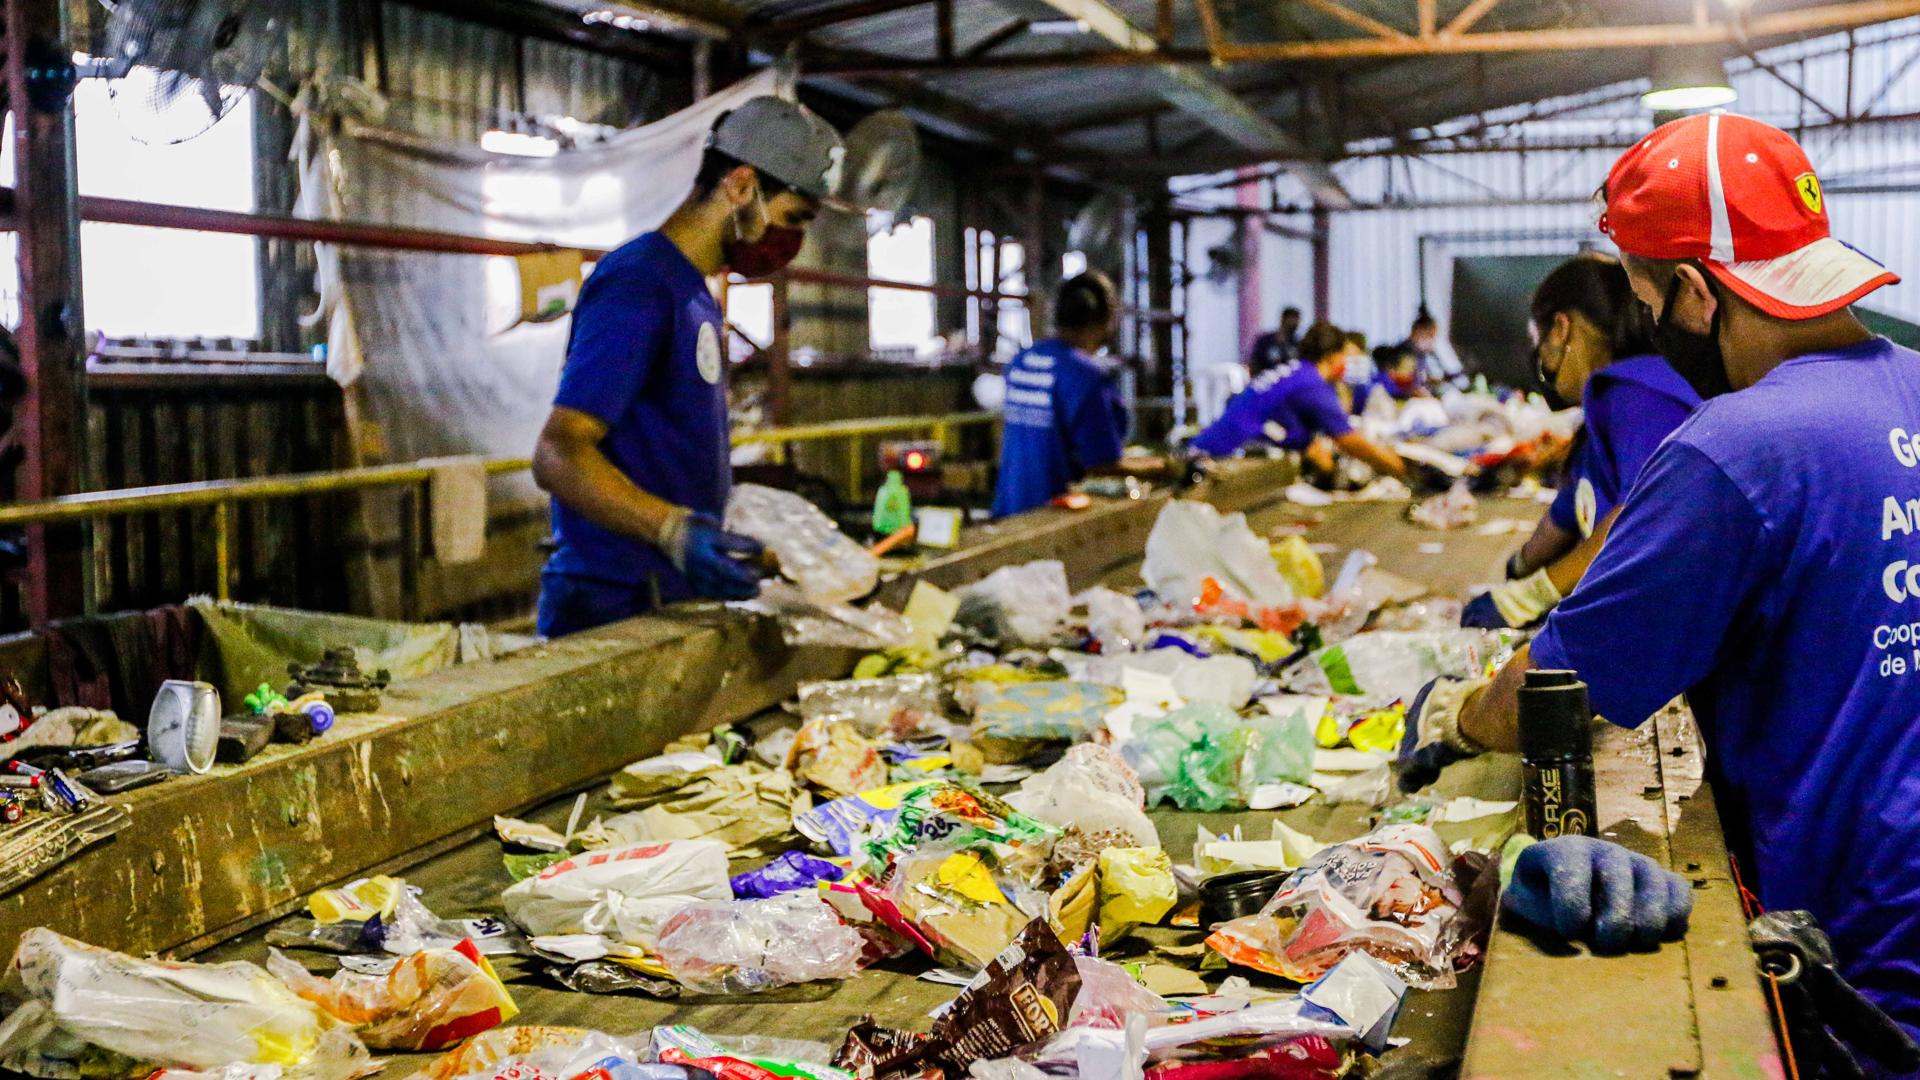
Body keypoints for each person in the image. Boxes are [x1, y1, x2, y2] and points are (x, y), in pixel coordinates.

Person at [1400, 114, 1920, 1073]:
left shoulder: (1737, 447)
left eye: (1646, 295)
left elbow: (1560, 694)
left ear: (1693, 291)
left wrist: (1456, 714)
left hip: (1866, 958)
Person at [532, 97, 845, 638]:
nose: (793, 241)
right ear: (741, 186)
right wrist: (673, 530)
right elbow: (558, 453)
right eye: (792, 218)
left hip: (665, 596)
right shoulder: (639, 283)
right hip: (612, 604)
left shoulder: (692, 293)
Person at [1461, 253, 1700, 629]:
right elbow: (1572, 507)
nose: (1542, 362)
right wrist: (1519, 566)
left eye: (1538, 341)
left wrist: (1535, 592)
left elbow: (1645, 511)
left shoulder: (1636, 393)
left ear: (1561, 328)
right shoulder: (1610, 407)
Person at [1189, 321, 1407, 478]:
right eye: (1346, 357)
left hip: (1210, 450)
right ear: (1333, 355)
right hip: (1224, 462)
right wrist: (1400, 469)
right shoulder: (1311, 384)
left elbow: (1299, 434)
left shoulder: (1295, 373)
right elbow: (1349, 441)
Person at [992, 271, 1131, 517]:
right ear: (1106, 320)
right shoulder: (1085, 375)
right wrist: (1166, 468)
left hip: (1010, 509)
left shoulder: (1021, 361)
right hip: (1052, 514)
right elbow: (1103, 464)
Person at [1402, 309, 1468, 392]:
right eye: (1429, 336)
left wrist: (1436, 380)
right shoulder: (1403, 354)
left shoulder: (1421, 354)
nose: (1431, 342)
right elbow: (1408, 383)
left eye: (1433, 337)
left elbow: (1421, 378)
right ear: (1417, 331)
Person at [1352, 346, 1426, 415]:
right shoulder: (1380, 386)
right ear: (1391, 368)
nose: (1411, 374)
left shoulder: (1401, 387)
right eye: (1407, 368)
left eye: (1413, 369)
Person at [1247, 306, 1303, 376]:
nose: (1296, 324)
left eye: (1297, 320)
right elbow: (1254, 364)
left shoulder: (1298, 344)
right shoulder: (1265, 341)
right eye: (1293, 319)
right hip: (1267, 382)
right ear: (1283, 319)